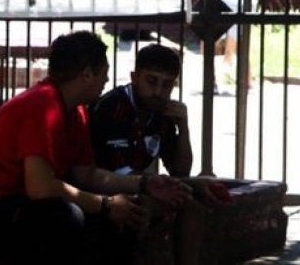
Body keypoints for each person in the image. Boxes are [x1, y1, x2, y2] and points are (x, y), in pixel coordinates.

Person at [0, 31, 193, 264]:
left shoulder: (77, 111)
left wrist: (143, 184)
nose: (106, 81)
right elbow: (40, 188)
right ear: (87, 74)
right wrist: (107, 205)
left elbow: (86, 174)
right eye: (104, 74)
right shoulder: (42, 106)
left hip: (23, 204)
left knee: (123, 217)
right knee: (66, 217)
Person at [90, 43, 232, 264]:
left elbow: (180, 169)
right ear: (134, 77)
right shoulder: (113, 107)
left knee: (193, 206)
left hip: (139, 187)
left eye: (167, 85)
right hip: (101, 188)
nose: (158, 92)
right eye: (151, 81)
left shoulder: (162, 113)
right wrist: (186, 184)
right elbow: (118, 171)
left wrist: (183, 127)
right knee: (142, 207)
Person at [193, 0, 259, 90]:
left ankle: (210, 81)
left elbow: (204, 3)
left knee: (207, 38)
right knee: (242, 40)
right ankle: (247, 80)